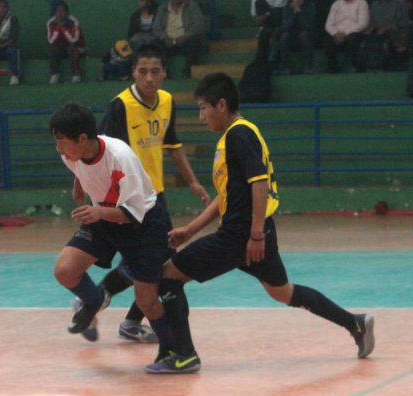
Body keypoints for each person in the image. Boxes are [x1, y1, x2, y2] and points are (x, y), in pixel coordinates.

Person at [145, 72, 375, 374]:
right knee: (284, 292)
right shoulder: (237, 135)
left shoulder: (239, 135)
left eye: (204, 108)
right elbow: (225, 195)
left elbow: (260, 184)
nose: (201, 116)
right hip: (253, 232)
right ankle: (355, 323)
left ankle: (184, 355)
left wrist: (254, 235)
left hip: (240, 235)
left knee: (168, 277)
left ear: (222, 105)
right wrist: (191, 229)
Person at [72, 43, 210, 343]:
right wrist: (82, 185)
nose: (149, 78)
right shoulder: (120, 105)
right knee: (155, 264)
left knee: (156, 263)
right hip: (124, 198)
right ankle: (106, 305)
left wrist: (193, 181)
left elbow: (172, 144)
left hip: (154, 196)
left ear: (164, 73)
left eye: (155, 72)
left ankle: (110, 306)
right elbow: (95, 150)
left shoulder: (167, 101)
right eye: (142, 71)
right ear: (132, 72)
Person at [50, 103, 178, 369]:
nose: (59, 149)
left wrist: (97, 212)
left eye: (62, 142)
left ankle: (174, 351)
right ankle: (94, 300)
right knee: (65, 270)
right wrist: (79, 186)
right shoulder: (72, 154)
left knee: (147, 301)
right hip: (105, 216)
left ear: (83, 138)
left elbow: (133, 213)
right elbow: (80, 166)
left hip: (143, 222)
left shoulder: (120, 157)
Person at [152, 0, 204, 78]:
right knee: (155, 44)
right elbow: (156, 28)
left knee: (195, 41)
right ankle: (165, 73)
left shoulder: (192, 6)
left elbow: (198, 25)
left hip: (185, 40)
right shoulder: (162, 8)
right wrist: (164, 37)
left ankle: (187, 72)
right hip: (167, 41)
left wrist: (186, 36)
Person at [361, 0, 409, 71]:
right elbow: (372, 22)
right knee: (368, 38)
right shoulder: (375, 4)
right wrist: (371, 28)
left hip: (395, 31)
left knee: (386, 38)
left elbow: (404, 23)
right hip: (377, 32)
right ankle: (371, 65)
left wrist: (389, 27)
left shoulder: (399, 4)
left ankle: (383, 65)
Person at [323, 0, 369, 73]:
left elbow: (363, 23)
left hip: (354, 32)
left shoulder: (362, 3)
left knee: (354, 39)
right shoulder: (336, 4)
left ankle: (357, 67)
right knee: (327, 41)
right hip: (337, 34)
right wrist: (335, 33)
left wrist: (345, 33)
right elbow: (328, 24)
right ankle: (333, 69)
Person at [46, 0, 86, 84]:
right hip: (61, 47)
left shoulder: (74, 21)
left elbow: (74, 40)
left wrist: (63, 29)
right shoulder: (51, 23)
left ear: (67, 12)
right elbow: (51, 40)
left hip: (77, 46)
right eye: (58, 11)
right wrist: (57, 29)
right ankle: (55, 74)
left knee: (72, 49)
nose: (60, 13)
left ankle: (76, 75)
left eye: (62, 11)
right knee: (53, 50)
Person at [278, 0, 316, 74]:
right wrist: (294, 14)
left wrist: (300, 13)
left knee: (304, 35)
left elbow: (308, 27)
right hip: (292, 36)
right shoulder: (287, 7)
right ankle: (285, 67)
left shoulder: (310, 6)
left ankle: (309, 67)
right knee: (284, 36)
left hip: (307, 35)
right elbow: (286, 27)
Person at [0, 0, 21, 86]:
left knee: (13, 50)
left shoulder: (13, 19)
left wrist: (2, 45)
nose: (1, 9)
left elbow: (13, 38)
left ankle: (15, 75)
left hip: (7, 47)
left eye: (4, 7)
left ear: (8, 8)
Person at [251, 0, 287, 65]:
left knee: (276, 35)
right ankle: (260, 62)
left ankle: (276, 64)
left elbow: (279, 8)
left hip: (281, 21)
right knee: (263, 34)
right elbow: (255, 14)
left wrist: (267, 14)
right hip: (266, 24)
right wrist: (260, 19)